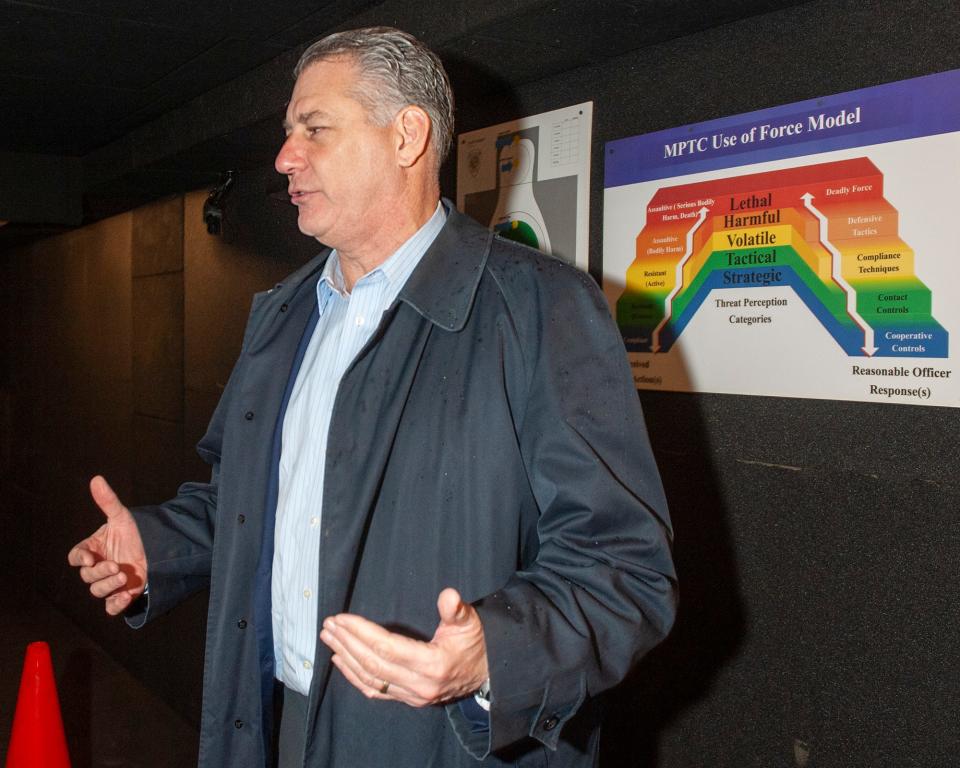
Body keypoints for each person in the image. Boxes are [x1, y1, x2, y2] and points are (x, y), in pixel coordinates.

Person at [67, 26, 677, 768]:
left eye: (314, 130)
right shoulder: (286, 315)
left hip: (443, 744)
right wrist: (155, 549)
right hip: (277, 722)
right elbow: (254, 497)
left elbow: (626, 568)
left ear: (407, 135)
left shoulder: (542, 308)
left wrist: (494, 653)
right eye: (288, 135)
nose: (285, 158)